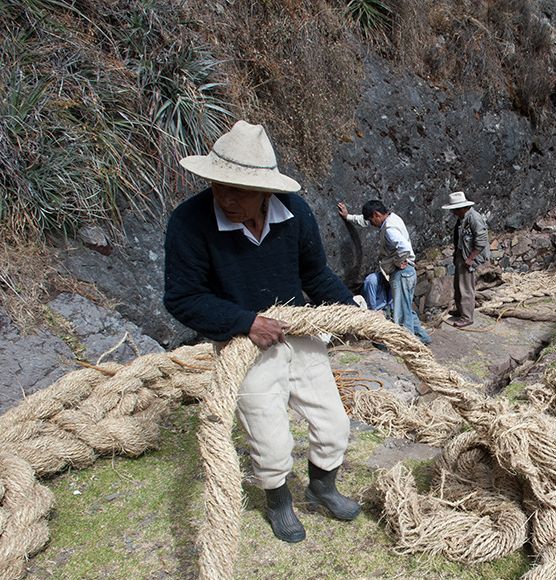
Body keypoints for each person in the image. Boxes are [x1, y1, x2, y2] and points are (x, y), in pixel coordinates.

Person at [163, 120, 361, 544]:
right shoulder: (190, 222)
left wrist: (355, 314)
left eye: (238, 190)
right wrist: (245, 322)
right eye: (219, 186)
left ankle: (323, 487)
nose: (225, 198)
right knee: (270, 441)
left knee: (334, 425)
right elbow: (182, 297)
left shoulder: (296, 214)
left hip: (300, 331)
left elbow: (316, 275)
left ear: (267, 191)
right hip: (243, 344)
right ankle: (279, 503)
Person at [338, 199, 432, 345]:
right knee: (406, 307)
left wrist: (398, 261)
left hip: (401, 273)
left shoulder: (389, 229)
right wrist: (348, 217)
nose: (371, 224)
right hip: (408, 273)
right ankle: (422, 337)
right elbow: (364, 221)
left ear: (376, 214)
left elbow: (404, 248)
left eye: (371, 220)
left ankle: (407, 344)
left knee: (400, 312)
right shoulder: (392, 218)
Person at [442, 191, 489, 328]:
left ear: (461, 207)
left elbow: (481, 240)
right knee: (458, 285)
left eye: (454, 209)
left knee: (466, 288)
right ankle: (461, 310)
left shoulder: (474, 219)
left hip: (468, 257)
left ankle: (467, 317)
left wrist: (470, 258)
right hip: (461, 255)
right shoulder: (463, 218)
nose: (453, 213)